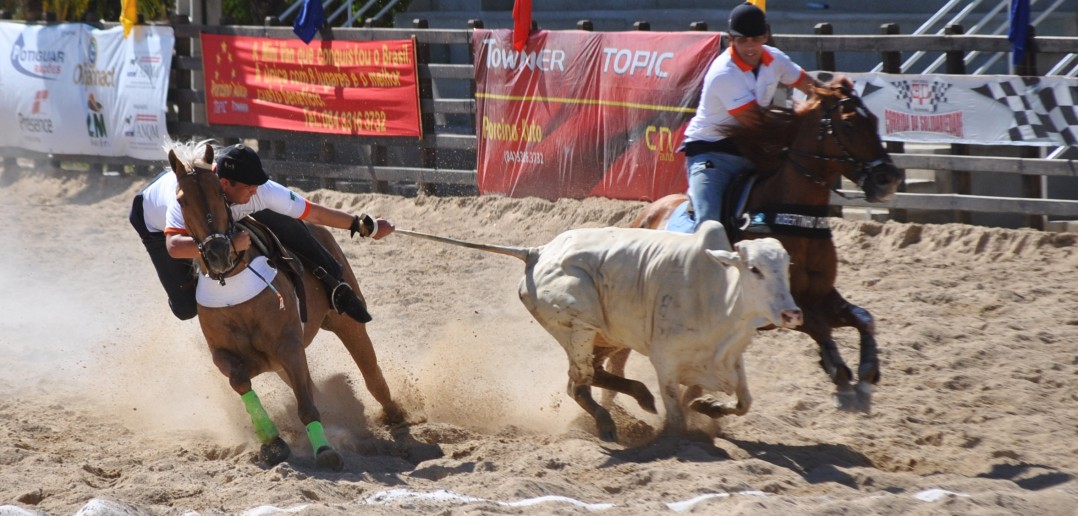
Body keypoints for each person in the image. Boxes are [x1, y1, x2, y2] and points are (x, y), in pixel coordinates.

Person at [130, 142, 393, 323]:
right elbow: (175, 246)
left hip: (227, 210)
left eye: (258, 186)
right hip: (152, 222)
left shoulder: (258, 190)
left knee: (289, 224)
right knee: (186, 309)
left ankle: (336, 286)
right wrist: (230, 246)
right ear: (225, 184)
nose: (256, 191)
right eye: (249, 187)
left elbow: (313, 212)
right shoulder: (189, 197)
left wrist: (360, 225)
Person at [680, 2, 824, 230]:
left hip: (750, 149)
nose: (750, 46)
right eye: (742, 39)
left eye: (756, 39)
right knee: (709, 225)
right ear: (730, 39)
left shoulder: (775, 59)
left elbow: (811, 86)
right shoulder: (723, 73)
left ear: (766, 36)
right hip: (710, 152)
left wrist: (835, 98)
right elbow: (756, 124)